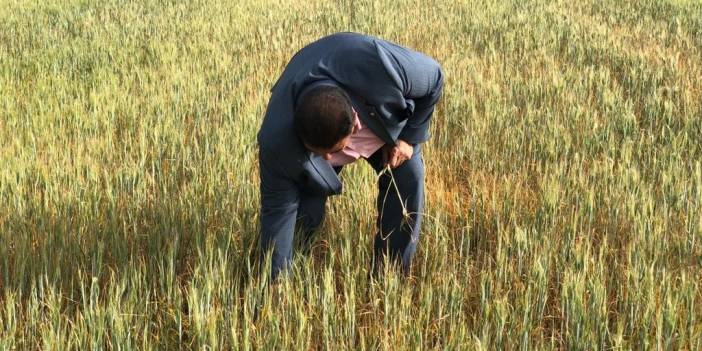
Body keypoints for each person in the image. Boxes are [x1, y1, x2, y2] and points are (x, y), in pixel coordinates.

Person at [257, 32, 444, 280]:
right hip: (309, 133)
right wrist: (274, 282)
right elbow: (277, 213)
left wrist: (408, 138)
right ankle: (297, 266)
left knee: (409, 178)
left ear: (355, 125)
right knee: (306, 204)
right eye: (318, 153)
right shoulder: (277, 142)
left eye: (334, 152)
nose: (326, 161)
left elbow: (435, 78)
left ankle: (391, 275)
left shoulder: (383, 67)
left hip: (381, 121)